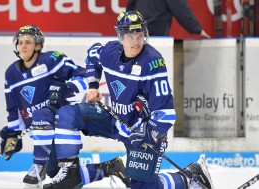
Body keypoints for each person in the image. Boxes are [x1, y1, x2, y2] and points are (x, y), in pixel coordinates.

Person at [44, 11, 214, 189]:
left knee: (143, 187)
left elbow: (167, 114)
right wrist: (93, 85)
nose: (136, 42)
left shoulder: (153, 63)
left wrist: (148, 133)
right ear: (121, 37)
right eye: (131, 36)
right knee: (68, 115)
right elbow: (92, 55)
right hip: (116, 120)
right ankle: (70, 172)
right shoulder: (109, 51)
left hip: (144, 131)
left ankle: (188, 178)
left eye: (140, 36)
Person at [0, 25, 130, 189]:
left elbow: (83, 74)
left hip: (61, 121)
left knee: (42, 116)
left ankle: (39, 166)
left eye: (28, 42)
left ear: (38, 45)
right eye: (20, 42)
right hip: (41, 134)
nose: (23, 46)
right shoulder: (11, 73)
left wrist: (68, 87)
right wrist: (13, 134)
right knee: (62, 178)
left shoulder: (52, 59)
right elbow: (13, 109)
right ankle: (111, 167)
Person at [126, 0, 210, 38]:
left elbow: (130, 7)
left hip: (135, 35)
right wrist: (198, 30)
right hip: (157, 39)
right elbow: (181, 10)